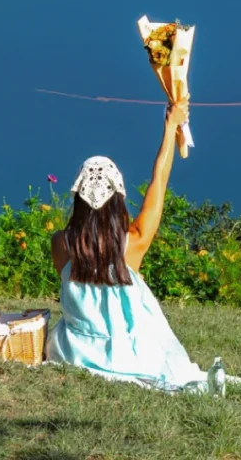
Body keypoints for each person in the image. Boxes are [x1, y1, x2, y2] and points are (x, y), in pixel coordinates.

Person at [47, 98, 208, 391]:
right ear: (118, 198)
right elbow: (158, 181)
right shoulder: (133, 243)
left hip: (73, 352)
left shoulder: (60, 244)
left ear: (78, 198)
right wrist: (170, 127)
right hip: (129, 357)